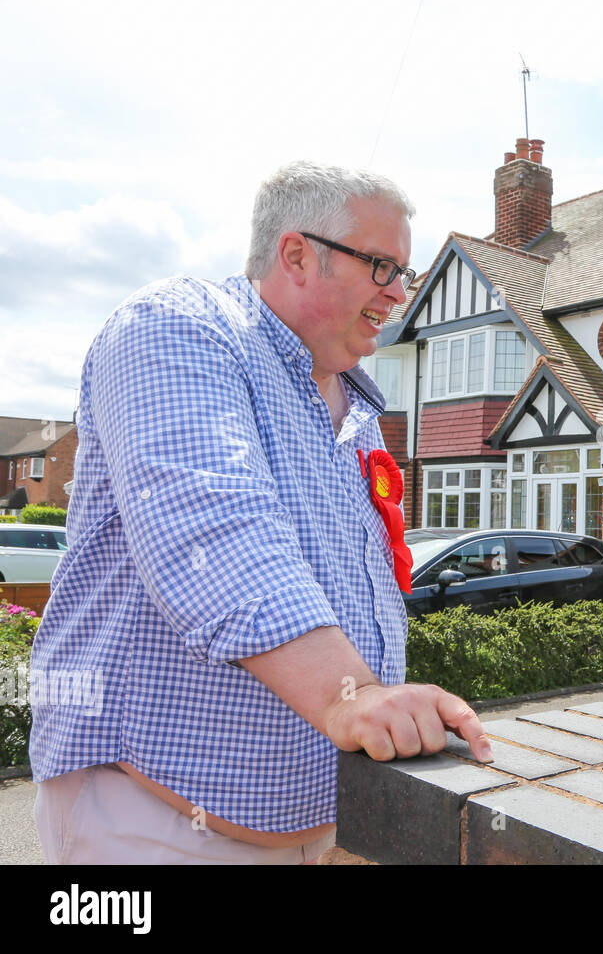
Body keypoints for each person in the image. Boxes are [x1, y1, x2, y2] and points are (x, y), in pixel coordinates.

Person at [29, 161, 492, 864]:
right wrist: (353, 694)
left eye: (405, 271)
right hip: (153, 823)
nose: (399, 293)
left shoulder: (357, 411)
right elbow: (212, 524)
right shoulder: (178, 326)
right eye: (380, 266)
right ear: (297, 253)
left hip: (317, 827)